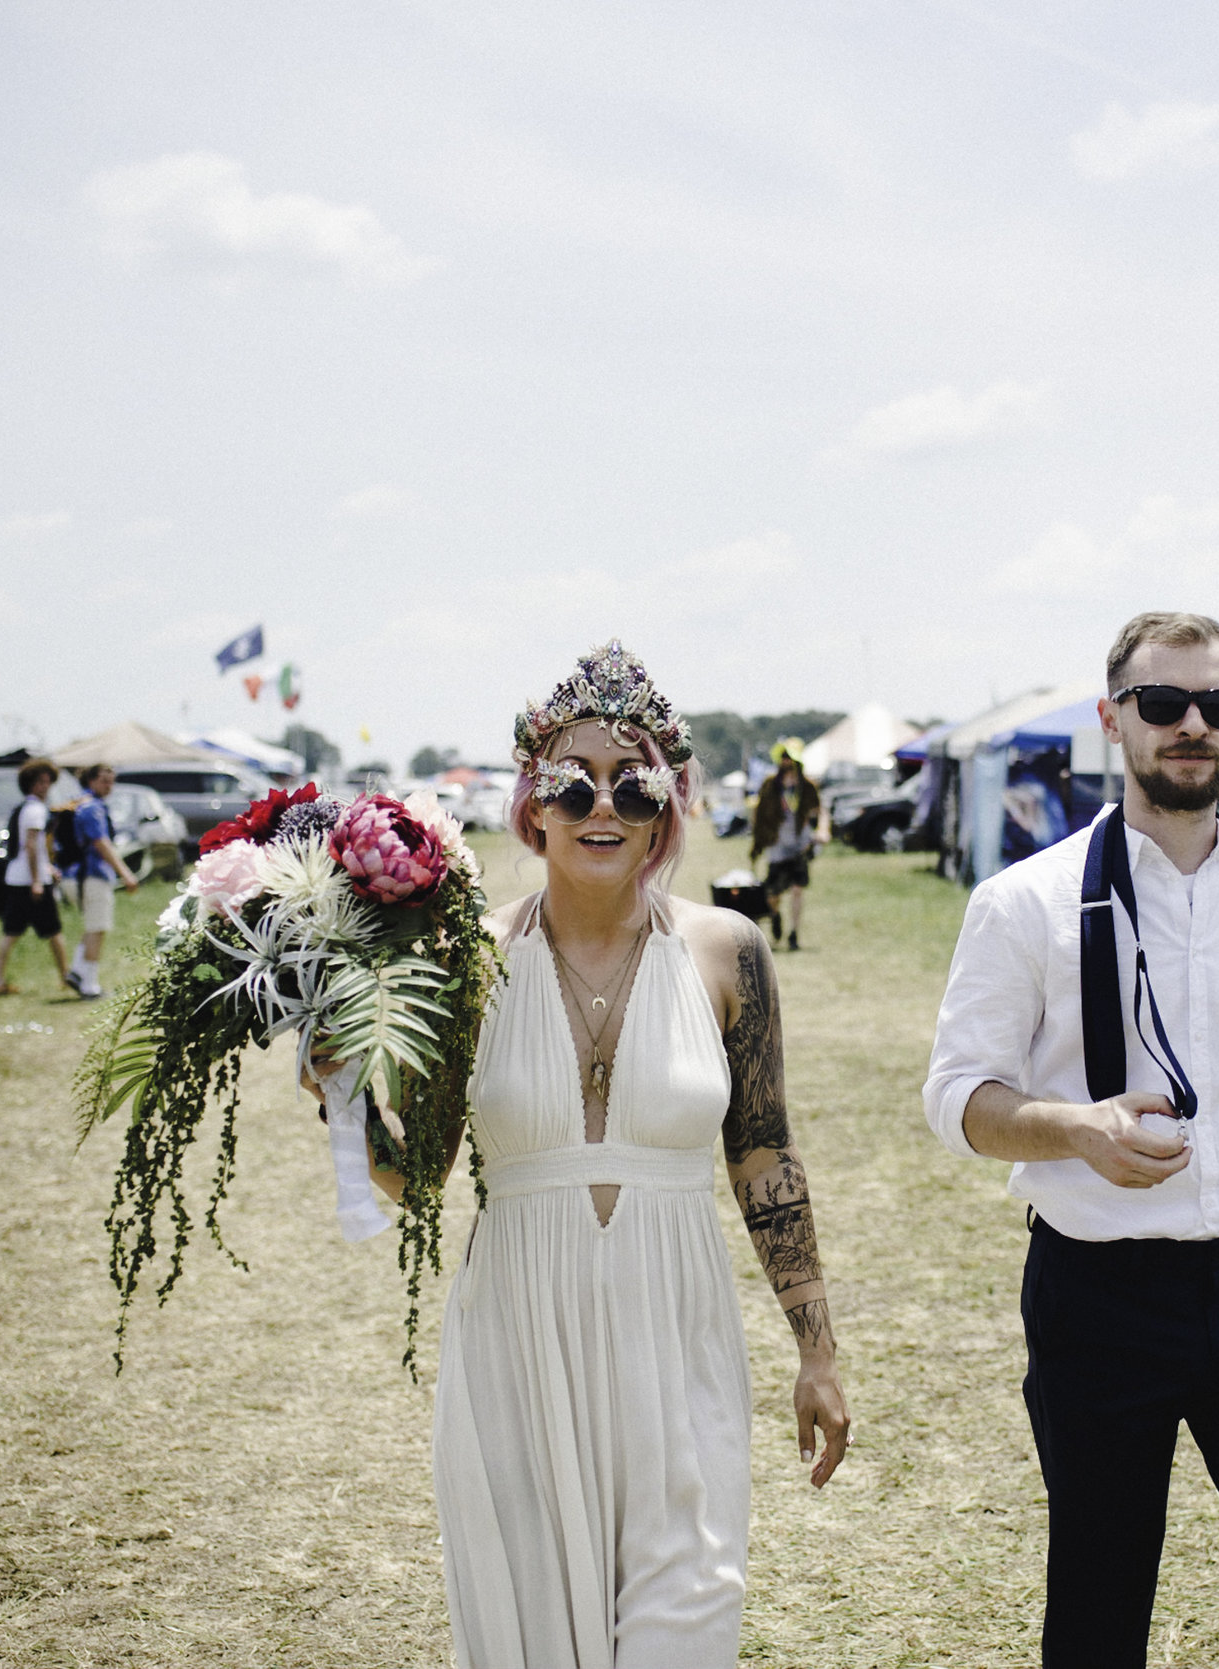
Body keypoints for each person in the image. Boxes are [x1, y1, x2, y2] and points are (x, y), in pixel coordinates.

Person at [348, 641, 851, 1668]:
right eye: (572, 784)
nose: (600, 807)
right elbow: (415, 1175)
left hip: (679, 1334)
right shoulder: (465, 959)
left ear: (669, 805)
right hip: (518, 1346)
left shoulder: (729, 950)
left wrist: (816, 1347)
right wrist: (350, 1088)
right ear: (533, 805)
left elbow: (763, 1157)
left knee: (687, 1620)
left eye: (633, 783)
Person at [922, 611, 1219, 1669]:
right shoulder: (1023, 903)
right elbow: (954, 1097)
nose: (1190, 725)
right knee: (1099, 1599)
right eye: (1162, 703)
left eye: (1216, 706)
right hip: (1098, 1293)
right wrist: (1070, 1129)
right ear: (1110, 718)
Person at [0, 758, 71, 998]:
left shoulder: (24, 808)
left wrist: (47, 869)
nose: (45, 787)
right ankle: (65, 976)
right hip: (30, 881)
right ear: (30, 784)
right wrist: (37, 879)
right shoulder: (36, 810)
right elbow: (32, 847)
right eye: (40, 782)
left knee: (11, 932)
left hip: (17, 877)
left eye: (48, 782)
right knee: (53, 930)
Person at [61, 763, 140, 998]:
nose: (109, 786)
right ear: (91, 780)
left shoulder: (78, 804)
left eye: (112, 780)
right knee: (98, 928)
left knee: (92, 926)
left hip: (74, 875)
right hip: (91, 875)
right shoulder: (92, 809)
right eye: (105, 780)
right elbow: (101, 843)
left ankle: (77, 971)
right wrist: (125, 873)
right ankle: (89, 984)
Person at [749, 738, 823, 951]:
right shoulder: (771, 784)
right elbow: (759, 811)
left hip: (800, 846)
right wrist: (759, 838)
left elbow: (818, 810)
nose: (785, 761)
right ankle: (775, 915)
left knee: (798, 890)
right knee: (773, 895)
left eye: (789, 758)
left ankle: (794, 934)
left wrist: (819, 831)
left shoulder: (807, 786)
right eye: (783, 757)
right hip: (777, 846)